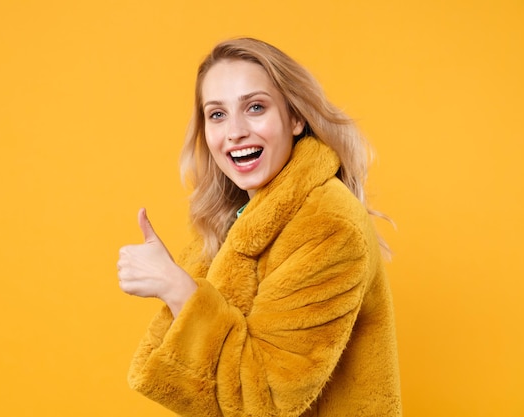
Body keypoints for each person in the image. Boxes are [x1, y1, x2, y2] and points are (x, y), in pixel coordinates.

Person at [117, 37, 401, 416]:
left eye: (255, 107)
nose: (235, 131)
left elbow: (267, 399)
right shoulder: (243, 219)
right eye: (217, 114)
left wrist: (178, 288)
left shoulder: (327, 224)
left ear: (295, 118)